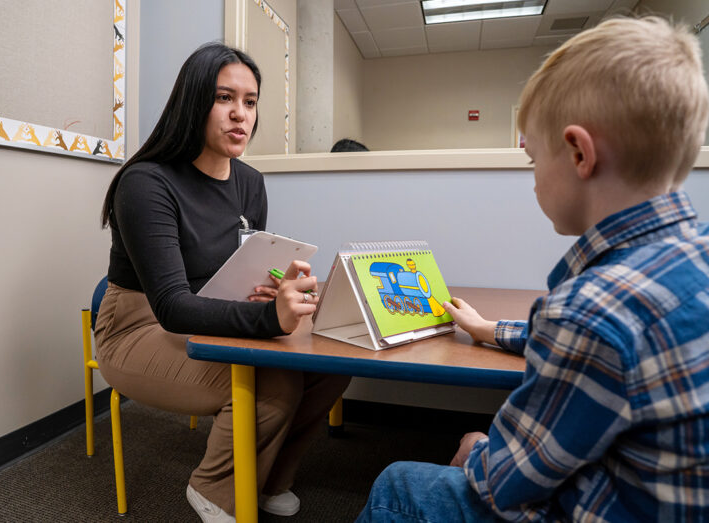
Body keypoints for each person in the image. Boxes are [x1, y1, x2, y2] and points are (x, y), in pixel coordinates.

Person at [357, 16, 709, 522]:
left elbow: (505, 481)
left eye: (533, 159)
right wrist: (488, 329)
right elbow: (590, 345)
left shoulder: (590, 311)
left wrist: (477, 448)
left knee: (400, 484)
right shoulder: (686, 260)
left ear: (579, 153)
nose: (535, 178)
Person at [95, 42, 350, 522]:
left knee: (331, 361)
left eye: (250, 102)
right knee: (272, 380)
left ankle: (270, 477)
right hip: (137, 327)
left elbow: (243, 267)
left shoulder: (250, 182)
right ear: (194, 102)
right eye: (224, 98)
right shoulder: (146, 183)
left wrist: (274, 291)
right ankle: (216, 490)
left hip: (207, 312)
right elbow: (171, 305)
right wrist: (266, 317)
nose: (241, 115)